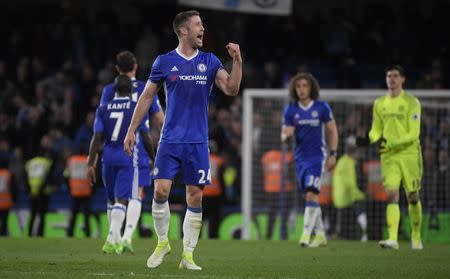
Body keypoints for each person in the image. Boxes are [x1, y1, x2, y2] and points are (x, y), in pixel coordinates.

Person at [123, 10, 242, 270]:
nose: (203, 29)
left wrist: (237, 62)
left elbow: (231, 89)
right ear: (184, 31)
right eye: (198, 25)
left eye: (203, 25)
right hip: (170, 140)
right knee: (160, 190)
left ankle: (188, 255)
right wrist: (132, 129)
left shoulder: (210, 61)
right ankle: (163, 242)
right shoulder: (164, 62)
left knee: (195, 197)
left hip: (198, 142)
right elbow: (146, 98)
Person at [98, 51, 164, 253]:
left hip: (112, 150)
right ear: (135, 66)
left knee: (114, 197)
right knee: (137, 194)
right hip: (139, 148)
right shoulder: (145, 88)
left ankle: (114, 238)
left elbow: (102, 120)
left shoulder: (109, 90)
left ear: (117, 69)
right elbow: (160, 120)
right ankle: (125, 237)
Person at [357, 65, 423, 250]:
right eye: (389, 76)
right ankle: (392, 238)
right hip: (389, 155)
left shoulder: (412, 102)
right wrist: (368, 139)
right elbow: (377, 129)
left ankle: (416, 236)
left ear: (403, 79)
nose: (392, 79)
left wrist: (393, 142)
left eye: (395, 76)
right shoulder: (379, 103)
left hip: (409, 154)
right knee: (392, 195)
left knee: (412, 196)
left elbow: (414, 133)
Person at [87, 74, 154, 254]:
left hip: (107, 158)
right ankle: (112, 238)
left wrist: (90, 163)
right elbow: (146, 136)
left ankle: (114, 239)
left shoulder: (102, 109)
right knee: (124, 199)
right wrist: (153, 157)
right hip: (127, 156)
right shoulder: (136, 108)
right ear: (132, 91)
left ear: (114, 90)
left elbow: (97, 138)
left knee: (111, 200)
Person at [281, 72, 338, 248]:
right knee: (309, 195)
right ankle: (320, 235)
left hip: (317, 156)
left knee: (312, 192)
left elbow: (332, 131)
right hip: (300, 158)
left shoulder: (322, 107)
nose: (301, 89)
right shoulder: (291, 109)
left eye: (305, 86)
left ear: (311, 87)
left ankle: (306, 233)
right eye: (298, 86)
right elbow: (283, 135)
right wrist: (286, 135)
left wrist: (333, 153)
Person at [332, 136, 368, 242]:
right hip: (345, 198)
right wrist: (361, 195)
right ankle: (365, 234)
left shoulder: (342, 160)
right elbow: (351, 184)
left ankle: (343, 235)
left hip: (340, 197)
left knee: (345, 227)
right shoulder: (349, 163)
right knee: (359, 208)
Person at [25, 135, 56, 237]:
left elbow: (28, 174)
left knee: (37, 214)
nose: (47, 143)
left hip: (36, 190)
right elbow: (48, 175)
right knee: (38, 214)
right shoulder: (48, 160)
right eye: (45, 141)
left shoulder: (33, 160)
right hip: (41, 190)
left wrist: (29, 189)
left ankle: (32, 235)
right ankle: (39, 235)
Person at [65, 145, 92, 238]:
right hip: (86, 191)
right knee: (86, 215)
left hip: (75, 191)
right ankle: (87, 233)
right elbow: (92, 175)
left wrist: (69, 188)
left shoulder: (71, 160)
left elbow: (66, 175)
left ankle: (70, 233)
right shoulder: (88, 160)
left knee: (73, 214)